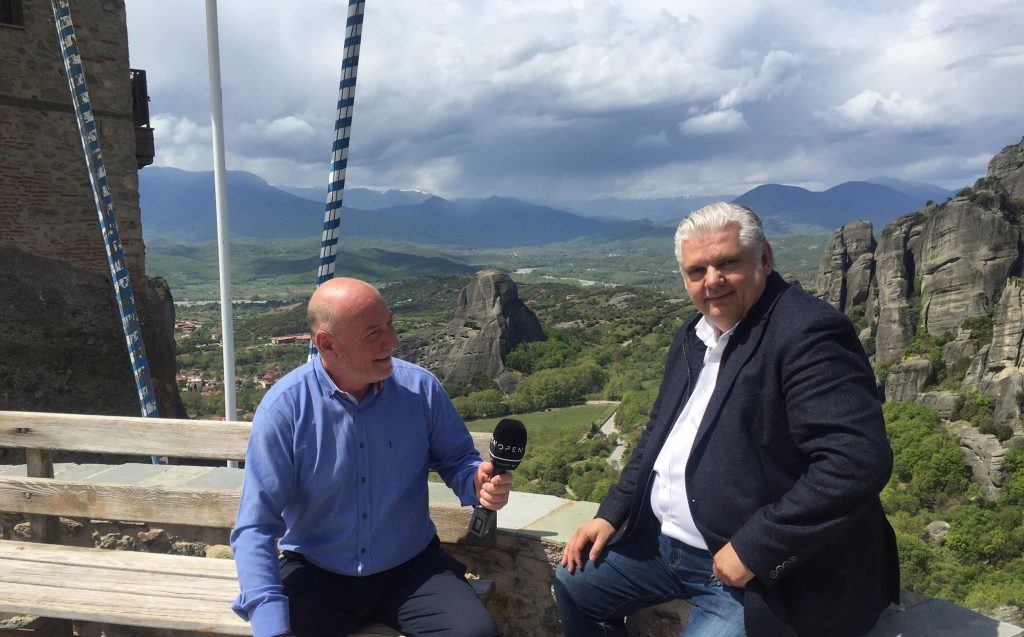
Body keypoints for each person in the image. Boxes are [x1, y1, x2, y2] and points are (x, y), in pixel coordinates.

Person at [554, 202, 898, 637]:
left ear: (764, 259)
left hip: (753, 576)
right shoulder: (693, 334)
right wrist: (612, 513)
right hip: (660, 548)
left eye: (727, 263)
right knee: (574, 585)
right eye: (696, 271)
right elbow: (659, 433)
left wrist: (758, 547)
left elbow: (856, 461)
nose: (712, 280)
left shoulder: (807, 332)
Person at [231, 277, 512, 637]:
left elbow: (458, 460)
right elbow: (255, 526)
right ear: (326, 343)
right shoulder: (286, 409)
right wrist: (270, 623)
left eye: (390, 324)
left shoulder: (420, 389)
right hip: (317, 573)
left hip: (411, 570)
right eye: (372, 333)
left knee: (475, 634)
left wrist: (477, 482)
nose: (392, 341)